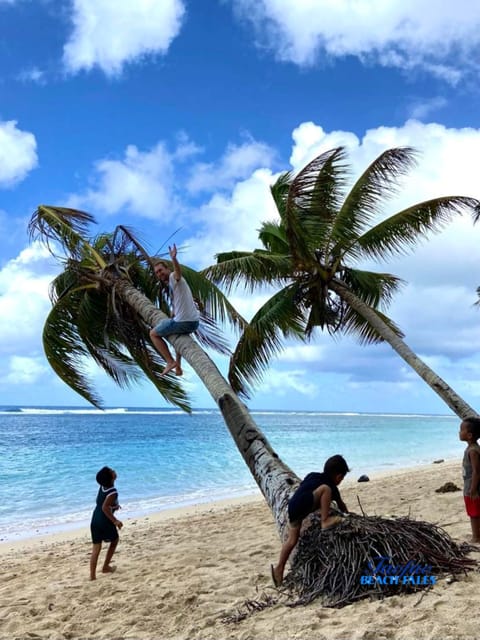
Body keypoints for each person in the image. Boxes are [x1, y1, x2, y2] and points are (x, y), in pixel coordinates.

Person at [271, 454, 349, 587]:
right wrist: (347, 514)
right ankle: (325, 521)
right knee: (325, 490)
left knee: (291, 540)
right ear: (338, 476)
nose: (340, 481)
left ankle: (279, 569)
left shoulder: (312, 475)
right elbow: (341, 505)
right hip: (303, 504)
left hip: (293, 507)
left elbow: (304, 486)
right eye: (341, 478)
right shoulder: (331, 486)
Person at [150, 244, 200, 376]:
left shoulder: (173, 277)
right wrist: (173, 311)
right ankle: (178, 367)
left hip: (184, 322)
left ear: (167, 269)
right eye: (157, 273)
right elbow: (178, 302)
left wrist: (174, 259)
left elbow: (178, 273)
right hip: (193, 323)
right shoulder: (173, 285)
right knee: (178, 336)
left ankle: (170, 361)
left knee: (153, 334)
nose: (159, 274)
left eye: (161, 270)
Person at [90, 466, 123, 580]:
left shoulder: (103, 487)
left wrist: (114, 506)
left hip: (95, 519)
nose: (114, 471)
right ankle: (105, 566)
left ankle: (92, 576)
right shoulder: (113, 491)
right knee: (114, 540)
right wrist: (115, 521)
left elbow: (103, 503)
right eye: (112, 471)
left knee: (96, 548)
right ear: (111, 478)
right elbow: (105, 507)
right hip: (104, 521)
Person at [459, 417, 480, 543]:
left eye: (461, 430)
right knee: (476, 511)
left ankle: (476, 537)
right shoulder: (473, 448)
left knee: (474, 513)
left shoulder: (473, 451)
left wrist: (473, 489)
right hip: (471, 485)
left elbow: (477, 471)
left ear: (470, 435)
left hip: (473, 487)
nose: (459, 432)